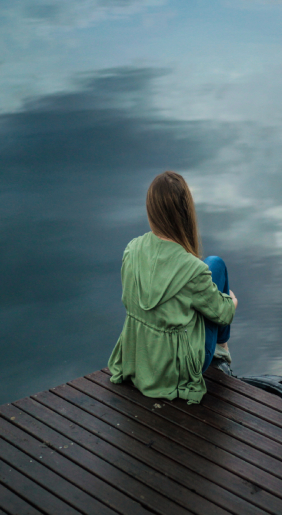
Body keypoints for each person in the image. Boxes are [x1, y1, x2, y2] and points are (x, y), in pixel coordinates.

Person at [107, 171, 237, 404]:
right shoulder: (193, 269)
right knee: (215, 264)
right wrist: (232, 303)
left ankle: (219, 348)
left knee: (205, 276)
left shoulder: (131, 249)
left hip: (140, 360)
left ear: (151, 210)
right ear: (185, 212)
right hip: (176, 371)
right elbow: (224, 314)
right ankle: (221, 351)